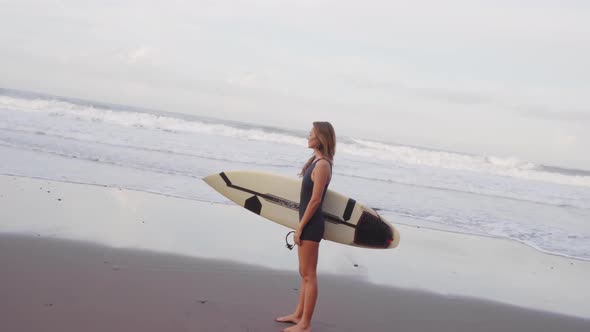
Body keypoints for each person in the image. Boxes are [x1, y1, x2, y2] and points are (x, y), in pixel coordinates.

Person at [276, 122, 336, 332]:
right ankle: (298, 315)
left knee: (309, 275)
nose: (308, 136)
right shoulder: (316, 162)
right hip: (308, 223)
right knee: (304, 273)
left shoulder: (322, 166)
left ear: (320, 138)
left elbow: (315, 200)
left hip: (311, 226)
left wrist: (300, 227)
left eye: (311, 134)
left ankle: (305, 324)